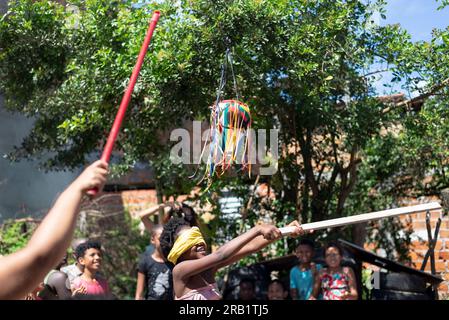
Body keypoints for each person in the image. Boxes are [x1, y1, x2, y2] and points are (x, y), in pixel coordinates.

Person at [0, 160, 108, 300]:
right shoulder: (58, 277)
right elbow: (39, 259)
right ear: (80, 259)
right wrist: (77, 188)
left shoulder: (99, 281)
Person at [159, 217, 305, 300]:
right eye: (190, 239)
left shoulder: (209, 269)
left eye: (198, 236)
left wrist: (284, 231)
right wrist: (257, 229)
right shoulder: (179, 272)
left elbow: (251, 247)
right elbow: (220, 254)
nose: (199, 242)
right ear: (177, 251)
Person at [135, 225, 173, 300]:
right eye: (160, 239)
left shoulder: (173, 262)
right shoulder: (145, 262)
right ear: (153, 240)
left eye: (167, 239)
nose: (163, 242)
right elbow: (139, 295)